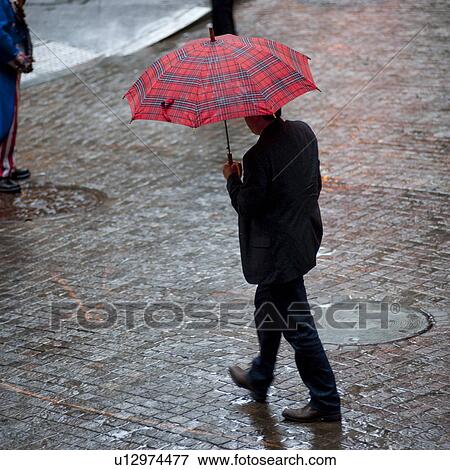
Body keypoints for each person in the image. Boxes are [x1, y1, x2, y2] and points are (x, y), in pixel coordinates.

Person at [223, 110, 341, 422]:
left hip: (278, 254)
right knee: (267, 307)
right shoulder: (304, 131)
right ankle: (260, 376)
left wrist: (233, 179)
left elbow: (248, 206)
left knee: (299, 329)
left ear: (253, 116)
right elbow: (314, 182)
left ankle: (326, 402)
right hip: (302, 238)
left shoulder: (259, 155)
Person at [0, 0, 33, 193]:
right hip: (4, 66)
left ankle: (7, 163)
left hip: (7, 65)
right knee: (6, 117)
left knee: (8, 114)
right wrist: (16, 56)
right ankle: (3, 171)